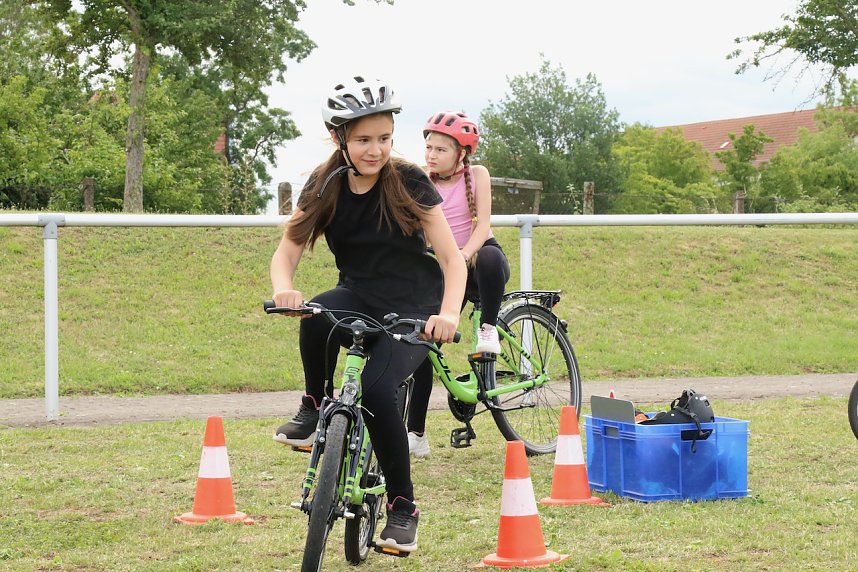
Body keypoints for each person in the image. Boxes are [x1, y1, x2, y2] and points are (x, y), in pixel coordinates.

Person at [269, 77, 466, 553]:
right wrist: (285, 289)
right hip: (358, 295)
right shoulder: (324, 183)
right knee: (317, 313)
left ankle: (403, 507)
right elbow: (287, 251)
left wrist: (448, 314)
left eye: (384, 138)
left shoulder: (409, 181)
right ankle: (315, 405)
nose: (375, 150)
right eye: (363, 140)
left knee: (378, 390)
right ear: (340, 139)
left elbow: (452, 258)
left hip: (416, 307)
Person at [406, 111, 511, 458]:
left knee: (492, 258)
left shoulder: (477, 174)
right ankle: (415, 434)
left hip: (478, 260)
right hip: (445, 269)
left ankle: (488, 330)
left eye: (441, 149)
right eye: (429, 147)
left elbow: (482, 226)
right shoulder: (421, 178)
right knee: (422, 342)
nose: (431, 155)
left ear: (461, 154)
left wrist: (464, 254)